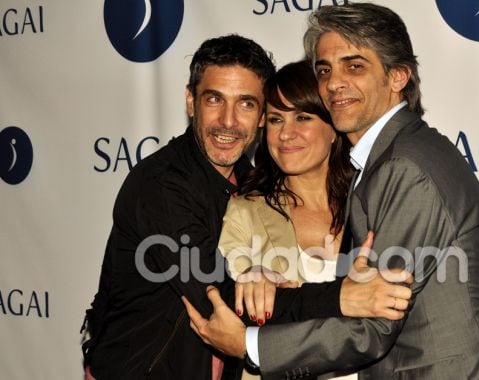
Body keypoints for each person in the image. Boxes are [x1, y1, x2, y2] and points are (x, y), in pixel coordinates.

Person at [182, 3, 479, 379]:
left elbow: (376, 325)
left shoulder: (403, 167)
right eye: (324, 70)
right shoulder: (386, 162)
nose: (333, 83)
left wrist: (250, 345)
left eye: (354, 66)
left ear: (398, 76)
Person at [81, 34, 413, 380]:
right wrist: (342, 297)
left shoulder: (250, 183)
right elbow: (221, 299)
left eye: (246, 104)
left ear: (258, 116)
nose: (227, 121)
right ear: (191, 101)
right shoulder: (163, 185)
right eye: (214, 100)